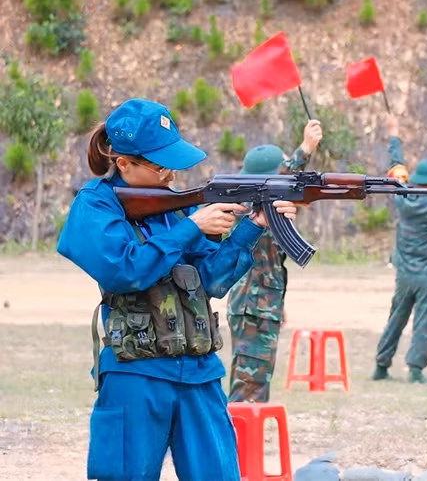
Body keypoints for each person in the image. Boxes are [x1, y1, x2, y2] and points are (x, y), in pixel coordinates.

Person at [56, 98, 298, 481]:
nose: (171, 172)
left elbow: (211, 281)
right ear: (123, 163)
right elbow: (124, 270)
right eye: (160, 164)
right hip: (137, 375)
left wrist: (254, 225)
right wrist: (191, 227)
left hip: (199, 374)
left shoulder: (174, 205)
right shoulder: (96, 206)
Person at [226, 120, 323, 403]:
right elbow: (285, 175)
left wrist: (276, 305)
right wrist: (304, 150)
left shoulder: (260, 207)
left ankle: (244, 445)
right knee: (247, 393)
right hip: (252, 308)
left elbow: (269, 262)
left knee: (256, 388)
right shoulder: (250, 207)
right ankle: (237, 447)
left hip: (260, 306)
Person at [372, 114, 427, 384]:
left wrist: (394, 134)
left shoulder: (403, 196)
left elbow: (396, 166)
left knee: (396, 318)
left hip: (404, 273)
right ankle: (415, 369)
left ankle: (381, 365)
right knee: (424, 320)